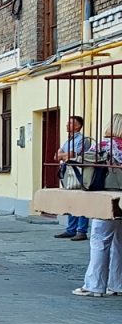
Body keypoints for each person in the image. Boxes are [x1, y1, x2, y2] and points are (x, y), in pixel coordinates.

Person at [72, 113, 122, 297]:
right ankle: (117, 284)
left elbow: (84, 160)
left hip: (106, 195)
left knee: (100, 240)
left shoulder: (104, 145)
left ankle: (94, 285)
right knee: (120, 244)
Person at [55, 115, 90, 241]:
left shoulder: (83, 139)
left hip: (79, 172)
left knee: (81, 200)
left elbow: (73, 155)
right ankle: (71, 229)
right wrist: (65, 155)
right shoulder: (68, 140)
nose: (66, 125)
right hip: (68, 172)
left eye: (70, 123)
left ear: (78, 126)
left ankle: (81, 230)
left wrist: (64, 155)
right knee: (71, 200)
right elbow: (56, 156)